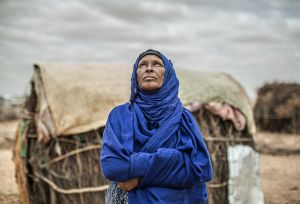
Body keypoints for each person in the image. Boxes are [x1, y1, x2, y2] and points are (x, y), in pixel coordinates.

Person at [100, 49, 213, 204]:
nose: (149, 68)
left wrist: (138, 179)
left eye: (157, 64)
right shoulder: (120, 115)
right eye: (143, 65)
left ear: (168, 75)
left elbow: (199, 168)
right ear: (136, 74)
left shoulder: (183, 118)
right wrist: (173, 159)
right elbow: (112, 166)